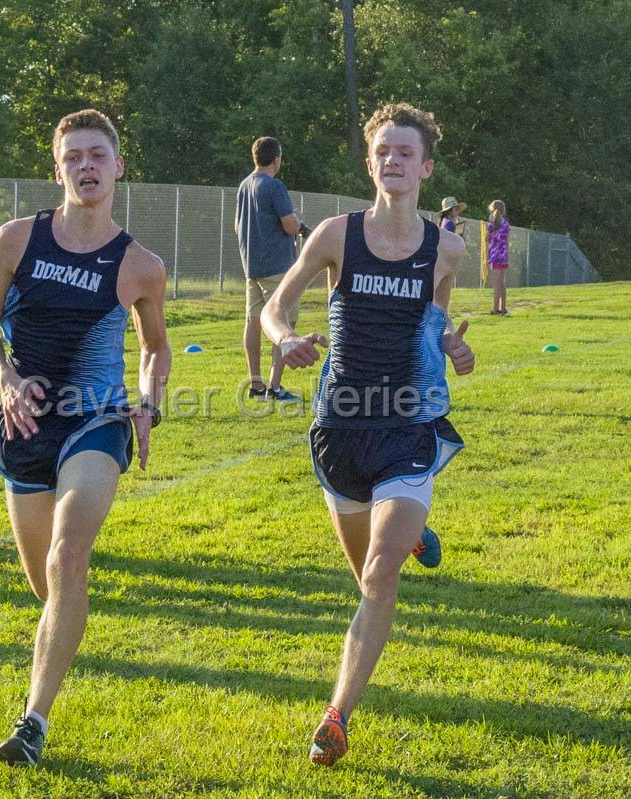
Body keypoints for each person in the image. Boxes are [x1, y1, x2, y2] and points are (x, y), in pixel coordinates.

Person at [261, 103, 475, 766]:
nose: (393, 161)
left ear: (426, 166)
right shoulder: (335, 234)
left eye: (406, 152)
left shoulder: (446, 247)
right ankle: (409, 531)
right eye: (383, 150)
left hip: (406, 425)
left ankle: (336, 715)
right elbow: (277, 303)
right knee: (366, 575)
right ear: (370, 161)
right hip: (339, 431)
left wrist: (451, 345)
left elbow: (434, 318)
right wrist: (285, 337)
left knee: (381, 573)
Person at [0, 109, 170, 766]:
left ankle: (33, 720)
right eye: (74, 156)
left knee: (66, 556)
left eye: (98, 155)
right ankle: (65, 631)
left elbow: (156, 349)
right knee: (48, 585)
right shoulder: (17, 238)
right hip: (23, 424)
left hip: (97, 420)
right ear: (58, 169)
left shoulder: (140, 264)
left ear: (118, 167)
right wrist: (4, 378)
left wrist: (146, 404)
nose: (87, 166)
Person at [235, 136, 302, 403]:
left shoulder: (244, 185)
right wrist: (297, 221)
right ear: (276, 159)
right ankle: (275, 386)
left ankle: (256, 384)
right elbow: (290, 226)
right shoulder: (274, 186)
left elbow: (237, 225)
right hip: (278, 267)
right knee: (283, 323)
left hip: (251, 266)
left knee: (253, 322)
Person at [485, 199, 510, 316]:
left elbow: (487, 239)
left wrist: (487, 255)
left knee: (496, 284)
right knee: (502, 284)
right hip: (503, 256)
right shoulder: (506, 224)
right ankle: (503, 308)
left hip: (495, 256)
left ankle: (495, 309)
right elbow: (507, 241)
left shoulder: (491, 224)